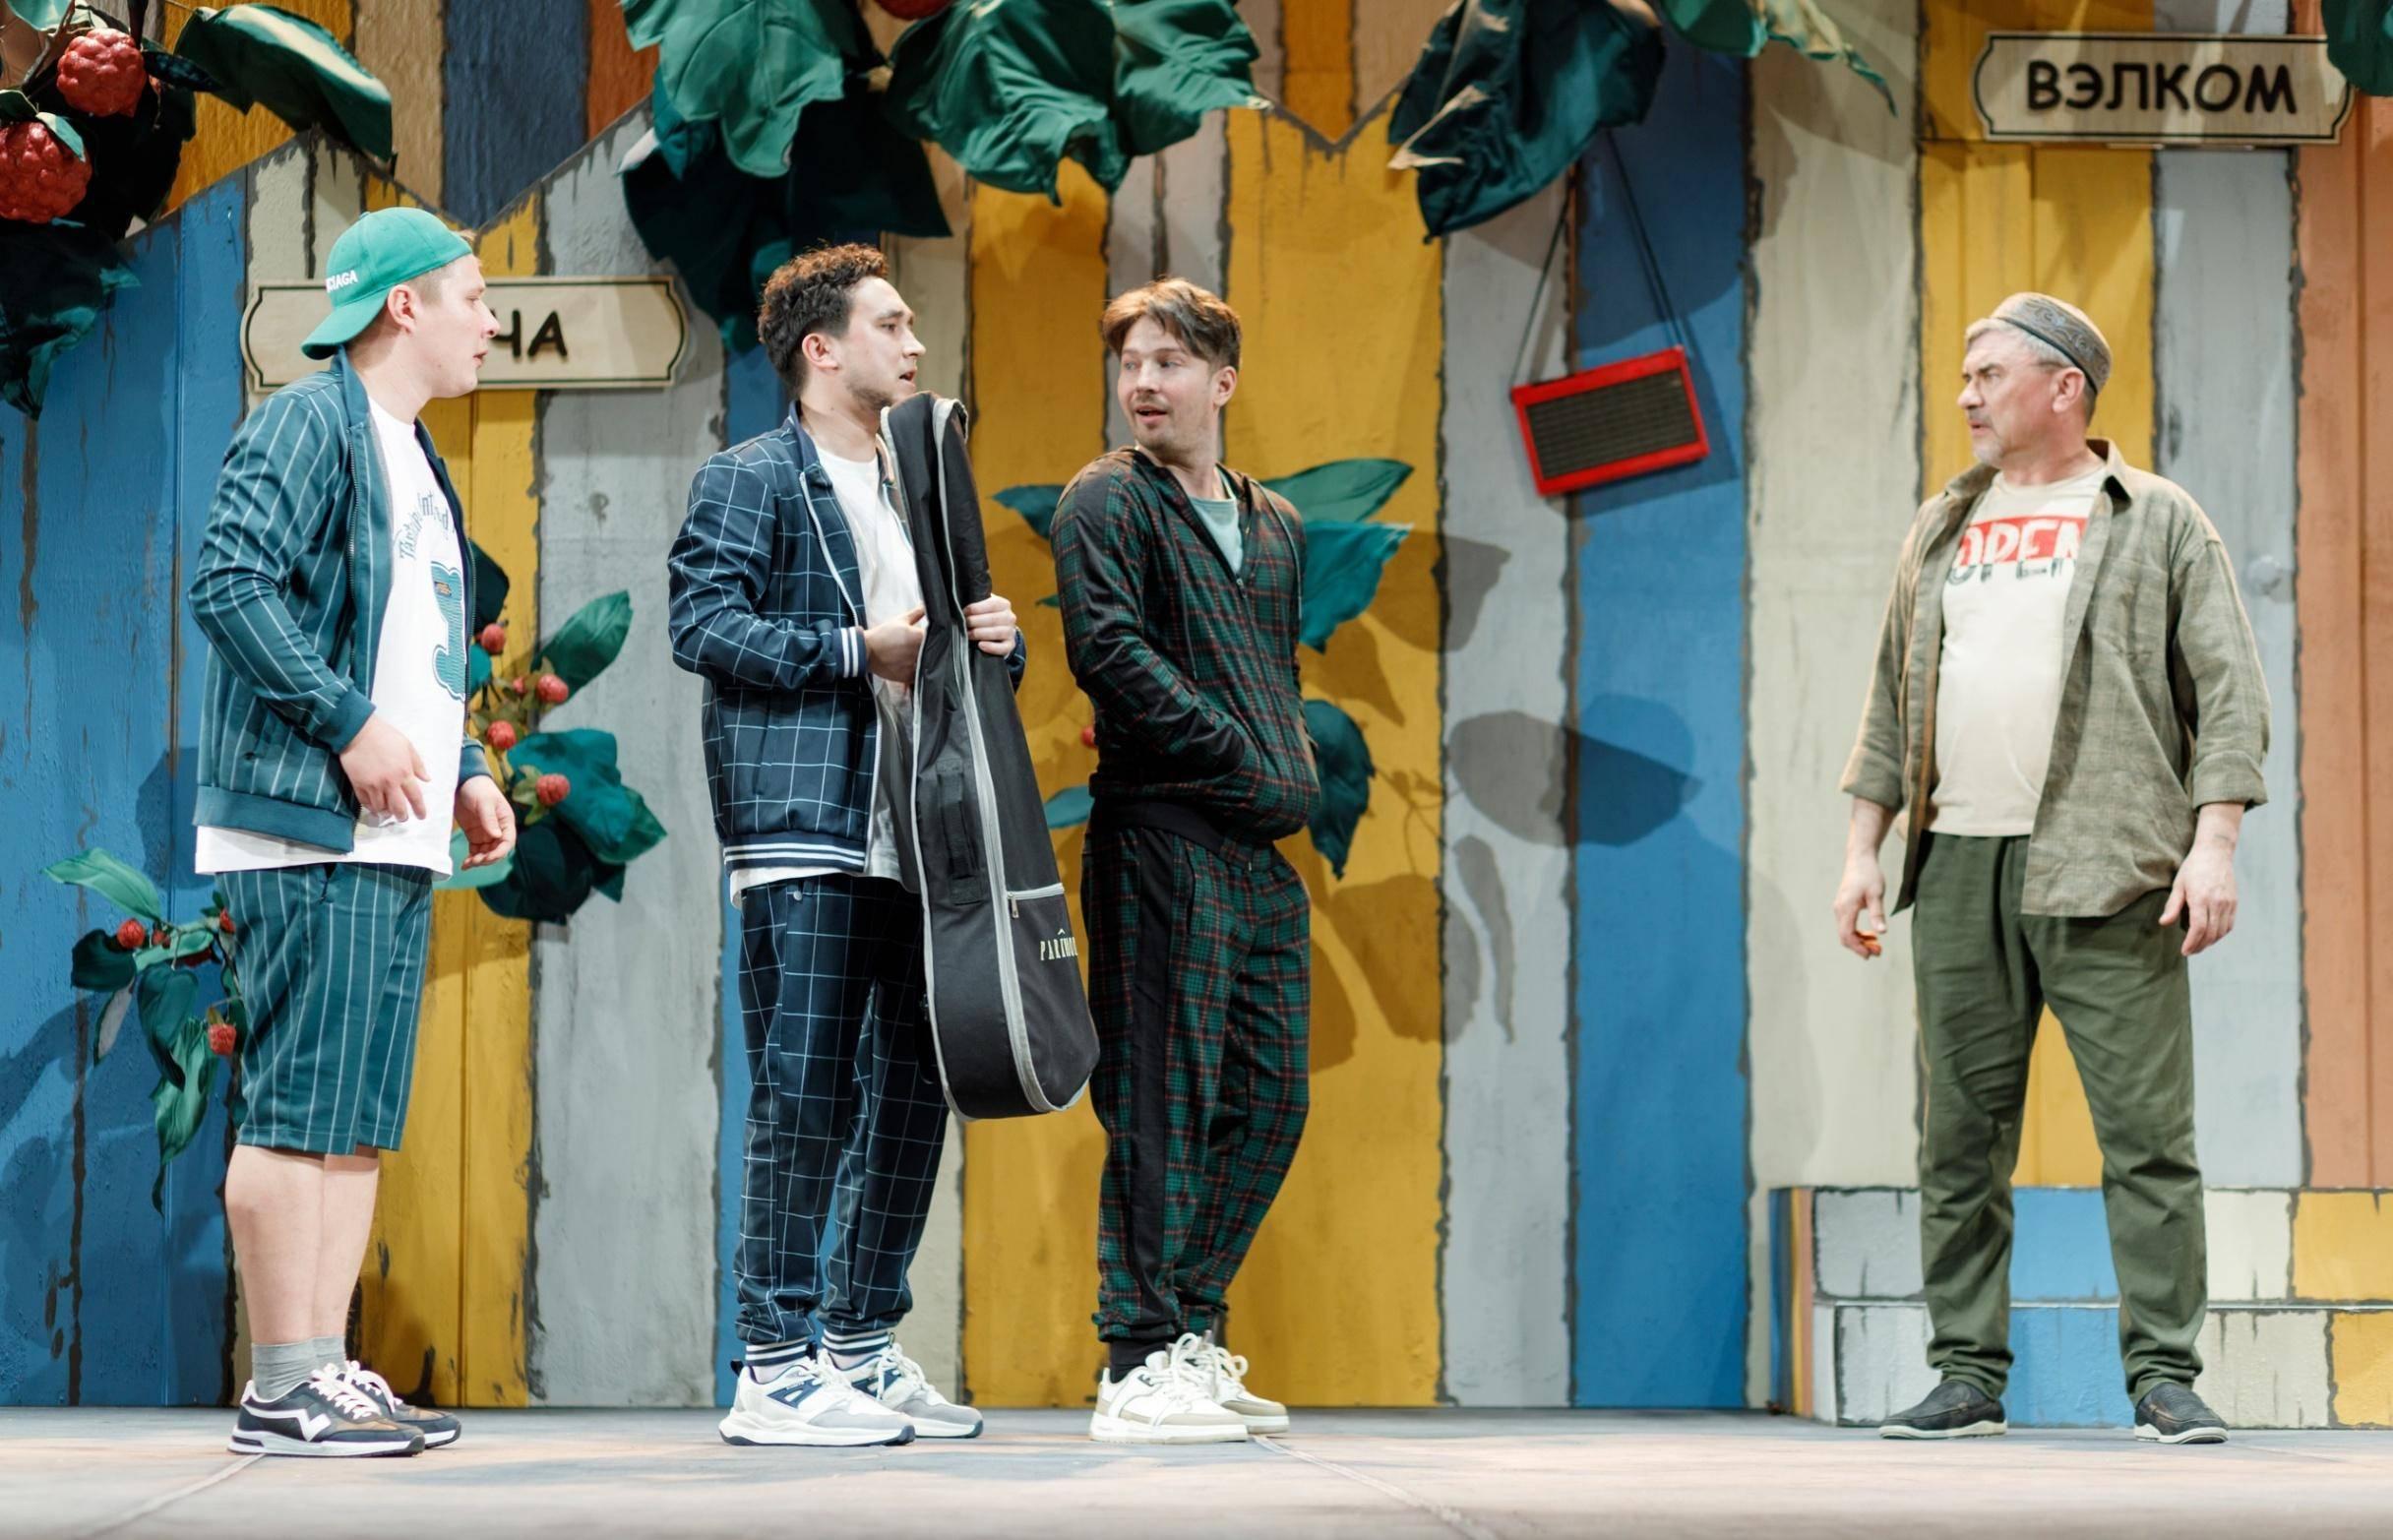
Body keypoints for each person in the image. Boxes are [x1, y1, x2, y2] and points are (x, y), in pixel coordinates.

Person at [1833, 293, 2270, 1447]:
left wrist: (2213, 843)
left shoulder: (2155, 517)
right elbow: (1888, 697)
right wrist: (1861, 850)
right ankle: (1964, 1372)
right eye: (1964, 377)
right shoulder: (1943, 522)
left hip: (2110, 865)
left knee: (2145, 1136)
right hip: (1957, 860)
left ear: (2061, 385)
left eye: (1987, 375)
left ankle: (2162, 1374)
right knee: (1957, 1138)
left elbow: (2227, 694)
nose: (1965, 396)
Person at [667, 243, 1021, 1448]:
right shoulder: (751, 476)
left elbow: (952, 648)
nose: (914, 345)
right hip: (805, 831)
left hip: (925, 835)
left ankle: (859, 1343)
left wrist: (995, 636)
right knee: (804, 1091)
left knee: (915, 1093)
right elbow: (702, 624)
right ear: (821, 350)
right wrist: (855, 649)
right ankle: (773, 1363)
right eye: (891, 324)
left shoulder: (922, 481)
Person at [190, 206, 516, 1457]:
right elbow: (229, 580)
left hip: (388, 831)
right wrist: (347, 725)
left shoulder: (414, 453)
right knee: (295, 1104)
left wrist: (466, 767)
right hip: (308, 821)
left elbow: (419, 642)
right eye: (473, 296)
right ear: (403, 305)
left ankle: (320, 1367)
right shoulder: (307, 421)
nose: (491, 320)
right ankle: (282, 1384)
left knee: (353, 1111)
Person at [1053, 278, 1320, 1446]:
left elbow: (1274, 668)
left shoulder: (1276, 523)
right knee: (1162, 1099)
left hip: (1254, 849)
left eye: (1167, 362)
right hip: (1160, 830)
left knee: (1268, 1099)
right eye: (1129, 364)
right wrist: (1240, 756)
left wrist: (1280, 763)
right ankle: (1136, 1357)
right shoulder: (1108, 499)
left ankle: (1189, 1333)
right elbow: (1108, 653)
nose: (1143, 383)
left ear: (1222, 380)